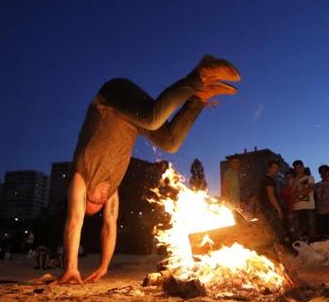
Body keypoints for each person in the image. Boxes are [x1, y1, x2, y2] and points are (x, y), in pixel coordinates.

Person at [56, 55, 241, 284]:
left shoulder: (80, 176)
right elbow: (109, 226)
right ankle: (199, 97)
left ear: (85, 197)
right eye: (101, 204)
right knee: (170, 142)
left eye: (94, 202)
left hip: (110, 99)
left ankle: (200, 73)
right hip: (131, 119)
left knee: (153, 119)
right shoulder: (111, 190)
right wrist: (103, 266)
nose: (102, 201)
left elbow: (74, 222)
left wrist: (70, 266)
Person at [258, 161, 284, 241]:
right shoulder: (269, 180)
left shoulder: (266, 179)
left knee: (270, 231)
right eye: (273, 167)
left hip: (266, 209)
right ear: (268, 168)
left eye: (277, 168)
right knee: (276, 231)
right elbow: (271, 195)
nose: (276, 170)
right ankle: (280, 251)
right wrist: (279, 210)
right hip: (271, 210)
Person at [292, 160, 316, 240]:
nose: (297, 170)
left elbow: (310, 189)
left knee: (311, 229)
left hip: (309, 207)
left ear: (303, 168)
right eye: (296, 168)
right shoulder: (292, 181)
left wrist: (296, 194)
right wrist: (295, 181)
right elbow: (291, 192)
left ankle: (313, 247)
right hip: (297, 208)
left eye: (299, 168)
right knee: (298, 230)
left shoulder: (310, 178)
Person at [315, 165, 329, 238]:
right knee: (322, 232)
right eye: (321, 172)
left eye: (325, 171)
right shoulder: (317, 185)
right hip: (320, 211)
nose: (323, 174)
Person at [279, 169, 296, 242]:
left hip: (299, 211)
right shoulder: (283, 189)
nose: (289, 179)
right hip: (289, 213)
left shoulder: (298, 187)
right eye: (287, 177)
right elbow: (283, 200)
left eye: (291, 177)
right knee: (291, 230)